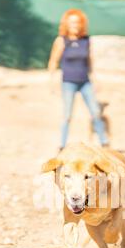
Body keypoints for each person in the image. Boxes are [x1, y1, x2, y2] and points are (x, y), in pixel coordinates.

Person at [48, 9, 109, 151]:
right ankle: (62, 145)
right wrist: (51, 82)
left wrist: (95, 79)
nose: (74, 25)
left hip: (85, 82)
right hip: (68, 82)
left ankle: (104, 143)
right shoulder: (61, 41)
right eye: (71, 22)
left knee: (95, 112)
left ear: (81, 23)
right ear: (66, 24)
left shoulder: (86, 40)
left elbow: (90, 62)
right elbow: (53, 62)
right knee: (67, 115)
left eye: (77, 22)